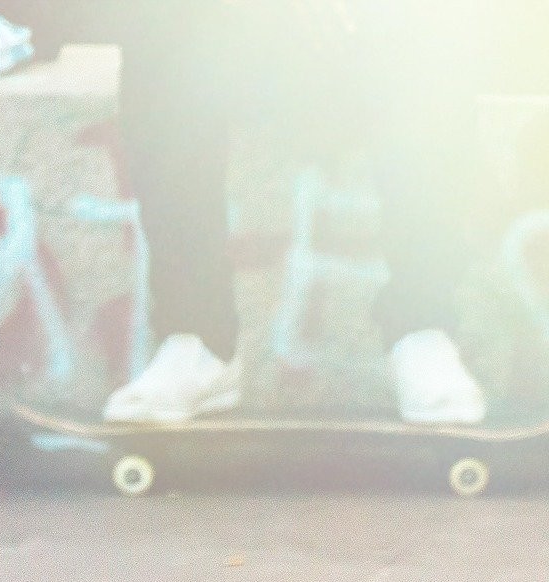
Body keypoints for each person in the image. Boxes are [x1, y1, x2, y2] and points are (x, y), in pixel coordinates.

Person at [100, 0, 494, 424]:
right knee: (163, 20)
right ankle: (196, 340)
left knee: (434, 17)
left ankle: (422, 331)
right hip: (247, 41)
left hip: (368, 38)